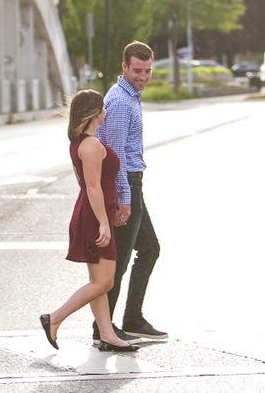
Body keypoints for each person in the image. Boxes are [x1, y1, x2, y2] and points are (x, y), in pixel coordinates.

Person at [39, 90, 139, 353]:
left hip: (91, 213)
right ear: (96, 113)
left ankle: (107, 335)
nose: (106, 112)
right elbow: (93, 187)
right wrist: (103, 223)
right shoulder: (92, 145)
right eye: (103, 108)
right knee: (104, 282)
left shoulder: (79, 143)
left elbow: (83, 183)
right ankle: (55, 318)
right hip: (95, 216)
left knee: (99, 281)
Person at [95, 41, 167, 342]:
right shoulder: (122, 102)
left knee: (149, 248)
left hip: (132, 184)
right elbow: (116, 156)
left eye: (148, 70)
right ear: (124, 67)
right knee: (120, 259)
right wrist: (124, 199)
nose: (143, 76)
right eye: (137, 70)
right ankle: (104, 330)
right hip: (126, 185)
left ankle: (132, 319)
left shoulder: (128, 95)